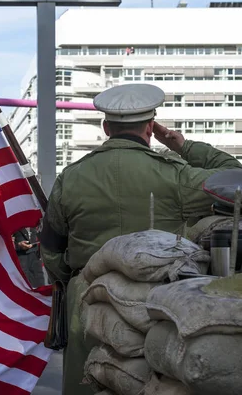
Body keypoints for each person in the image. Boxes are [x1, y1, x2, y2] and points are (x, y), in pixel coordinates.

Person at [39, 83, 242, 394]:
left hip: (88, 303)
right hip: (153, 307)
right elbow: (234, 177)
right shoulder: (176, 175)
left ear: (106, 127)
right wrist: (182, 146)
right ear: (151, 127)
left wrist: (72, 280)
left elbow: (52, 248)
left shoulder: (71, 176)